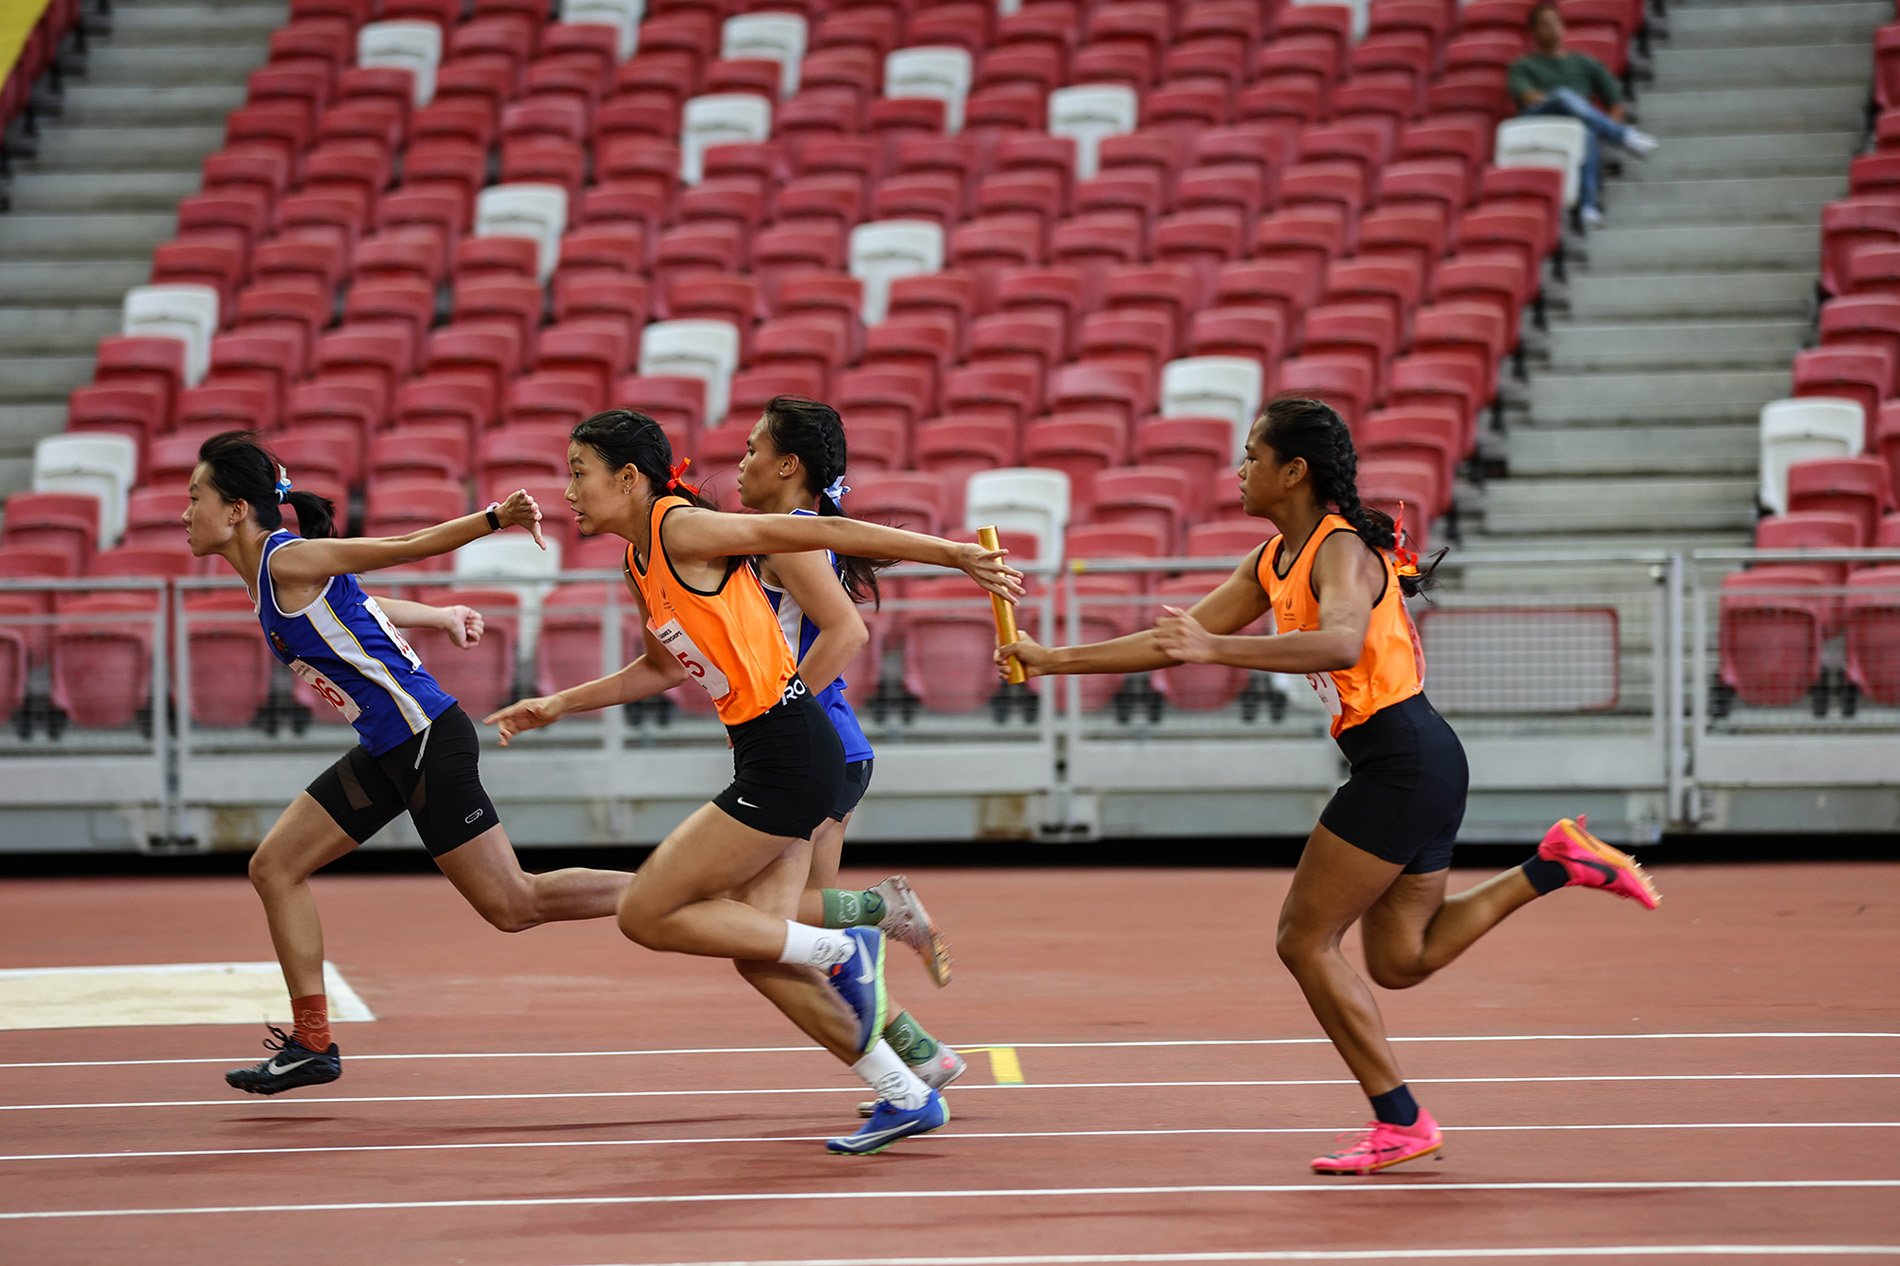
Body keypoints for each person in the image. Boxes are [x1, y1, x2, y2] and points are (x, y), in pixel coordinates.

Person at [997, 397, 1661, 1175]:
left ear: (1293, 470)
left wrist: (1218, 651)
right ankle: (1554, 862)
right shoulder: (1270, 558)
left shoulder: (1339, 549)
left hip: (1405, 761)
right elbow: (1175, 642)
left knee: (1302, 939)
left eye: (1251, 455)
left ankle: (1401, 1120)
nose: (1238, 470)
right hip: (1419, 762)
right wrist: (1052, 660)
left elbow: (1342, 640)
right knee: (1401, 960)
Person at [483, 408, 1021, 1154]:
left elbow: (823, 532)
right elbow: (663, 666)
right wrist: (558, 703)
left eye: (579, 472)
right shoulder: (641, 560)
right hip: (769, 752)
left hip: (793, 751)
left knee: (647, 910)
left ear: (629, 479)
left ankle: (846, 948)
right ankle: (906, 1089)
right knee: (761, 952)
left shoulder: (683, 529)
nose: (568, 490)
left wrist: (952, 553)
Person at [182, 431, 637, 1097]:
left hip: (426, 739)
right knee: (275, 867)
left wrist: (493, 520)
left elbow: (398, 549)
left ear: (233, 511)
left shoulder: (289, 560)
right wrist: (440, 615)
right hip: (389, 747)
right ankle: (313, 1045)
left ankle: (667, 890)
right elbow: (358, 605)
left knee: (514, 904)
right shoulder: (272, 578)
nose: (184, 512)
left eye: (195, 497)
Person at [734, 395, 967, 1112]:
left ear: (787, 465)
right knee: (800, 927)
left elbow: (846, 636)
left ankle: (881, 910)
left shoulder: (790, 536)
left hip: (817, 745)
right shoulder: (804, 528)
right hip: (833, 745)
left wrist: (783, 714)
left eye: (750, 449)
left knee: (765, 930)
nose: (738, 463)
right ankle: (920, 1055)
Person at [1508, 0, 1658, 229]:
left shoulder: (1584, 62)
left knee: (1586, 132)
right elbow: (1528, 98)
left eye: (1556, 23)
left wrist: (1600, 128)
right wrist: (1565, 103)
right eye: (1545, 25)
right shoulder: (1524, 66)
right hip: (1540, 124)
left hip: (1577, 128)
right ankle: (1623, 137)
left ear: (1564, 26)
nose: (1552, 29)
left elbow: (1616, 103)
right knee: (1563, 96)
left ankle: (1588, 207)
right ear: (1535, 32)